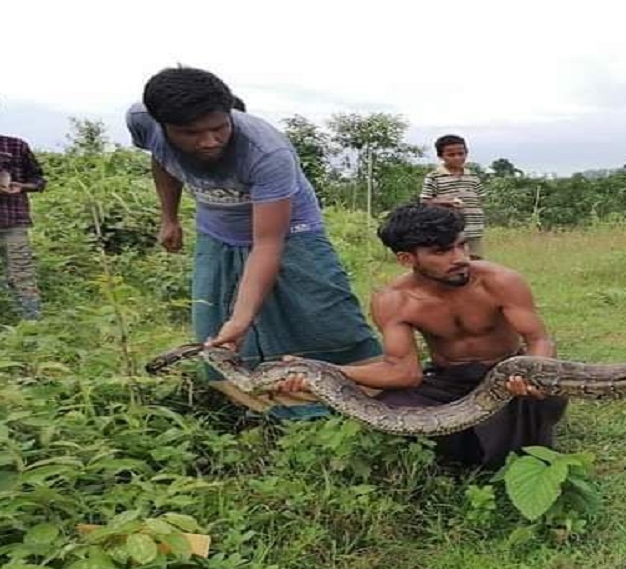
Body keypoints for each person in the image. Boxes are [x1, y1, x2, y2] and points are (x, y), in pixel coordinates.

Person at [127, 66, 381, 418]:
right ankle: (255, 405)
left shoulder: (266, 152)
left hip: (291, 228)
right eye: (191, 133)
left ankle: (361, 397)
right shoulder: (142, 121)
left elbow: (268, 244)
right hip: (217, 229)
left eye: (219, 128)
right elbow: (162, 159)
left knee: (320, 313)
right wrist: (168, 216)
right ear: (162, 124)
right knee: (214, 322)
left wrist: (242, 319)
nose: (209, 141)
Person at [277, 204, 566, 469]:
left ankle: (494, 449)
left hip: (507, 373)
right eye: (441, 252)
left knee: (540, 396)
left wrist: (532, 372)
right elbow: (403, 372)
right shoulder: (395, 301)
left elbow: (539, 340)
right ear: (407, 258)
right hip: (448, 379)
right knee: (391, 409)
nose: (460, 258)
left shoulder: (500, 281)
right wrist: (324, 372)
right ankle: (468, 444)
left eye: (461, 245)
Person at [0, 133, 47, 321]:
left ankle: (32, 325)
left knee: (22, 275)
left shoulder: (16, 146)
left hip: (13, 222)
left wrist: (23, 186)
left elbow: (39, 181)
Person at [419, 135, 487, 259]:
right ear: (441, 156)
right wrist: (444, 202)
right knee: (455, 260)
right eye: (451, 155)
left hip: (474, 227)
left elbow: (481, 198)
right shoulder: (434, 176)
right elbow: (425, 201)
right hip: (449, 228)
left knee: (476, 261)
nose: (457, 158)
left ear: (466, 153)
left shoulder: (473, 176)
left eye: (461, 153)